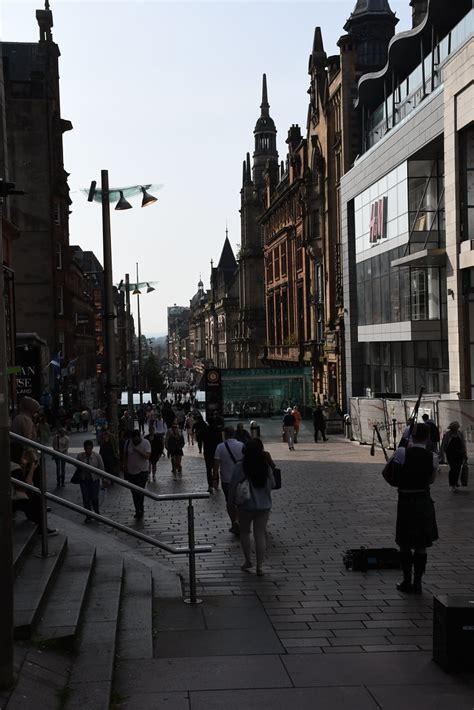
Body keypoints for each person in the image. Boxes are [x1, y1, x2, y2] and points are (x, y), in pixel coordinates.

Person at [390, 422, 438, 594]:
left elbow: (393, 474)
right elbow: (431, 480)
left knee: (404, 543)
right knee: (421, 545)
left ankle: (406, 581)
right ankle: (418, 583)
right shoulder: (433, 457)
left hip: (405, 500)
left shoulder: (402, 452)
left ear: (412, 435)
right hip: (423, 501)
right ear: (428, 437)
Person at [229, 438, 275, 576]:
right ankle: (260, 566)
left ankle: (248, 561)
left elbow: (232, 486)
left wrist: (231, 502)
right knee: (260, 534)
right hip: (263, 505)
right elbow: (272, 484)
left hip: (245, 506)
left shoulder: (240, 466)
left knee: (245, 533)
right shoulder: (265, 466)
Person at [11, 448, 58, 536]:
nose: (23, 457)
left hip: (14, 495)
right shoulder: (14, 468)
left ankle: (37, 519)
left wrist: (25, 468)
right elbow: (26, 486)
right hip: (13, 497)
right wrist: (31, 469)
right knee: (35, 497)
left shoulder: (15, 466)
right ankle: (42, 528)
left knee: (36, 494)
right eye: (22, 455)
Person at [213, 426, 244, 534]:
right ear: (234, 434)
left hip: (226, 479)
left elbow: (216, 464)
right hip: (240, 479)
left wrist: (215, 478)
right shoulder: (241, 445)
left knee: (230, 502)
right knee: (240, 501)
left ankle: (233, 522)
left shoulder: (220, 447)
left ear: (224, 434)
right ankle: (238, 520)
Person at [123, 430, 151, 519]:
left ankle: (140, 509)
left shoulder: (145, 443)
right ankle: (137, 509)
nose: (134, 441)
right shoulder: (128, 443)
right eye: (133, 440)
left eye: (136, 439)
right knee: (134, 492)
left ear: (139, 437)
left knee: (140, 491)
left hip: (142, 471)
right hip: (131, 472)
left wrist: (138, 451)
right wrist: (125, 466)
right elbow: (125, 455)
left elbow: (147, 456)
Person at [75, 440, 105, 523]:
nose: (87, 451)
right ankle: (88, 515)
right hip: (84, 480)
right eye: (86, 449)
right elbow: (76, 465)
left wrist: (103, 479)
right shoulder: (80, 456)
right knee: (86, 498)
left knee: (94, 497)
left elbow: (101, 468)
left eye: (89, 449)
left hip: (94, 480)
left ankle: (96, 512)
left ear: (92, 448)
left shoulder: (97, 456)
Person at [440, 420, 467, 491]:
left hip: (459, 454)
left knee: (458, 469)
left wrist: (465, 453)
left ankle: (455, 482)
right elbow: (443, 444)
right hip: (451, 454)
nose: (456, 429)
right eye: (454, 428)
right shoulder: (447, 435)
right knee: (453, 468)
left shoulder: (460, 434)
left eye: (456, 428)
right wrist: (442, 454)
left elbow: (463, 444)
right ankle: (452, 484)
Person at [203, 413, 224, 492]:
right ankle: (216, 483)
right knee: (215, 468)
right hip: (216, 451)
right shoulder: (217, 430)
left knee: (208, 469)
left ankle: (210, 485)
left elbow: (203, 440)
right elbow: (220, 441)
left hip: (208, 451)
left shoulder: (205, 430)